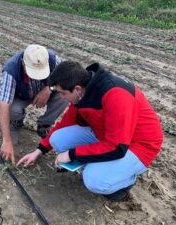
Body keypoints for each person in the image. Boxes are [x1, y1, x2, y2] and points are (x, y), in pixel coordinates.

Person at [17, 61, 164, 201]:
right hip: (105, 133)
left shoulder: (116, 95)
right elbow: (65, 123)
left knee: (94, 181)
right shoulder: (82, 92)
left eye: (62, 93)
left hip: (138, 143)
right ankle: (102, 164)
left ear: (77, 89)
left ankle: (128, 178)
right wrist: (39, 151)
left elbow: (117, 147)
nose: (61, 97)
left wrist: (72, 154)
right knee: (57, 139)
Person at [0, 44, 69, 165]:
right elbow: (2, 106)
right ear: (23, 63)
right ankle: (16, 121)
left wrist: (49, 88)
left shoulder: (54, 60)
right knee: (13, 109)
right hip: (21, 96)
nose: (36, 77)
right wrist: (6, 140)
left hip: (46, 92)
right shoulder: (11, 70)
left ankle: (44, 124)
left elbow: (67, 78)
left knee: (64, 96)